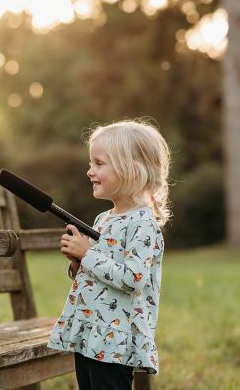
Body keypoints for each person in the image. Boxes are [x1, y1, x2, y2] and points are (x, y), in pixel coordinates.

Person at [47, 119, 171, 390]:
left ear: (131, 169)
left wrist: (88, 256)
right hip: (91, 330)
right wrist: (78, 262)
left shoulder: (143, 223)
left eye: (99, 164)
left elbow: (133, 277)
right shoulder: (103, 218)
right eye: (91, 163)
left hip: (116, 338)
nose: (90, 171)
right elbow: (100, 274)